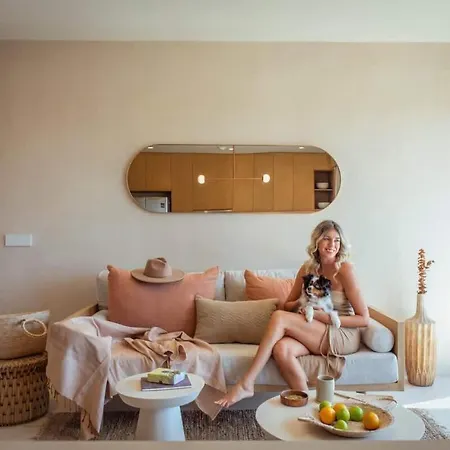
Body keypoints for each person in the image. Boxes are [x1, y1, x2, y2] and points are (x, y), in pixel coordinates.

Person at [215, 220, 370, 408]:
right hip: (315, 329)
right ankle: (308, 407)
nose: (332, 245)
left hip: (342, 333)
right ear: (317, 242)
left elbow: (363, 319)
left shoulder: (345, 270)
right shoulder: (307, 269)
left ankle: (246, 383)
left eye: (337, 240)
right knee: (282, 349)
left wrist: (321, 316)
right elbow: (287, 305)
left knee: (279, 318)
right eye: (327, 239)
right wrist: (302, 301)